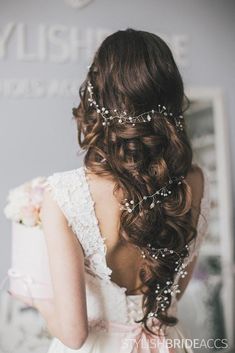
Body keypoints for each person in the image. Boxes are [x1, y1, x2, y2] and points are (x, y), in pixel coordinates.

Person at [28, 29, 210, 352]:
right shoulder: (195, 181)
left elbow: (73, 334)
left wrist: (35, 298)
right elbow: (175, 292)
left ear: (99, 98)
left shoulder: (64, 196)